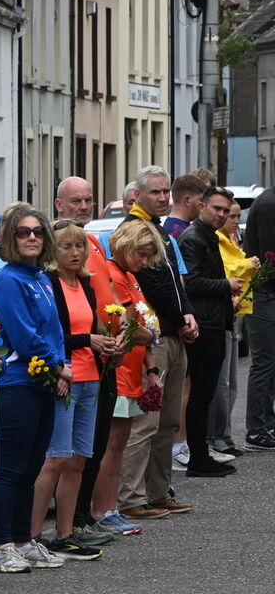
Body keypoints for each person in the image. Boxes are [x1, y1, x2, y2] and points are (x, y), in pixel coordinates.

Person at [0, 203, 70, 573]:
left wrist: (61, 367)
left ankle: (24, 540)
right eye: (24, 232)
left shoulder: (41, 278)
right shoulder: (8, 280)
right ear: (10, 239)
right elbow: (23, 334)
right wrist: (59, 365)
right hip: (19, 381)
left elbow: (55, 331)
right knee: (12, 468)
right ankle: (1, 545)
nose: (32, 237)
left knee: (32, 466)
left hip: (45, 381)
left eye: (38, 231)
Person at [117, 166, 198, 520]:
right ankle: (131, 498)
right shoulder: (134, 230)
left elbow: (177, 284)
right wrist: (182, 320)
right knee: (146, 422)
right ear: (138, 196)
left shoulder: (161, 231)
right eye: (156, 193)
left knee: (167, 423)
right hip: (155, 339)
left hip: (171, 333)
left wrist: (187, 314)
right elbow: (153, 284)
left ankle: (158, 491)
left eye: (166, 192)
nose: (163, 198)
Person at [32, 220, 116, 560]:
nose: (75, 252)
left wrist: (104, 344)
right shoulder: (49, 283)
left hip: (90, 375)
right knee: (56, 458)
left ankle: (64, 533)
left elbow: (89, 328)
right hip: (64, 376)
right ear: (54, 251)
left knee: (80, 458)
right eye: (66, 246)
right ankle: (32, 535)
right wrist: (88, 340)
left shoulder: (86, 284)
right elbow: (52, 335)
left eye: (79, 246)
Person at [53, 176, 123, 547]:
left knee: (88, 448)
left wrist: (116, 333)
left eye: (89, 200)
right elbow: (56, 325)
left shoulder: (95, 243)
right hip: (71, 367)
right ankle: (62, 527)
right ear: (59, 204)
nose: (83, 207)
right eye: (76, 201)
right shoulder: (51, 263)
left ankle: (79, 521)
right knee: (62, 456)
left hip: (98, 361)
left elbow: (105, 299)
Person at [92, 224, 160, 533]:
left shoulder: (131, 277)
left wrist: (151, 368)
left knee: (119, 443)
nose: (144, 262)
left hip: (132, 372)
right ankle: (102, 510)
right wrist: (152, 335)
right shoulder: (112, 274)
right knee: (111, 443)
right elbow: (132, 327)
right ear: (124, 246)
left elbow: (143, 328)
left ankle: (111, 507)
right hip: (116, 371)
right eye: (141, 254)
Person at [179, 186, 242, 477]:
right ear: (201, 206)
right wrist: (226, 286)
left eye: (225, 211)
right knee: (201, 395)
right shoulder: (193, 237)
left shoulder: (208, 236)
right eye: (217, 209)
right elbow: (190, 282)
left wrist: (227, 300)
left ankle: (200, 455)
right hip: (204, 327)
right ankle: (198, 459)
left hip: (214, 322)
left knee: (205, 394)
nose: (221, 215)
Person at [207, 198, 255, 457]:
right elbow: (228, 270)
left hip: (236, 311)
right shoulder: (217, 239)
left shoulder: (230, 239)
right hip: (225, 311)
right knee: (222, 382)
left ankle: (223, 435)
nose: (236, 221)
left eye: (236, 215)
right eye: (231, 216)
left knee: (231, 382)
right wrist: (249, 264)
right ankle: (218, 436)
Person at [242, 182, 275, 450]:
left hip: (268, 292)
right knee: (264, 362)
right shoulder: (269, 206)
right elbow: (269, 259)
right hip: (263, 293)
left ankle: (267, 423)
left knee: (270, 362)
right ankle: (256, 429)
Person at [162, 174, 206, 240]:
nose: (204, 204)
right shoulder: (177, 232)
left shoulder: (177, 228)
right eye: (201, 200)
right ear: (187, 200)